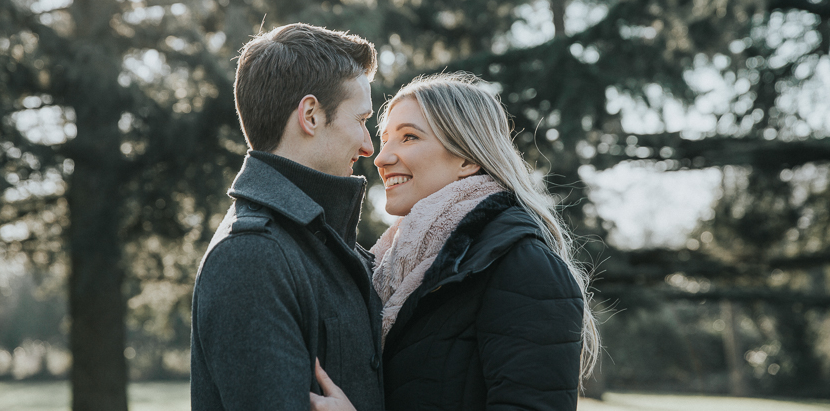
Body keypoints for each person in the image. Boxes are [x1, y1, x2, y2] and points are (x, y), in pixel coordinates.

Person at [310, 72, 599, 411]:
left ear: (467, 159)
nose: (381, 157)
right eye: (385, 139)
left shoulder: (523, 267)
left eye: (409, 138)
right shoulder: (392, 266)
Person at [191, 23, 385, 411]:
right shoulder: (252, 257)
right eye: (361, 120)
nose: (368, 146)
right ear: (310, 115)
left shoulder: (319, 244)